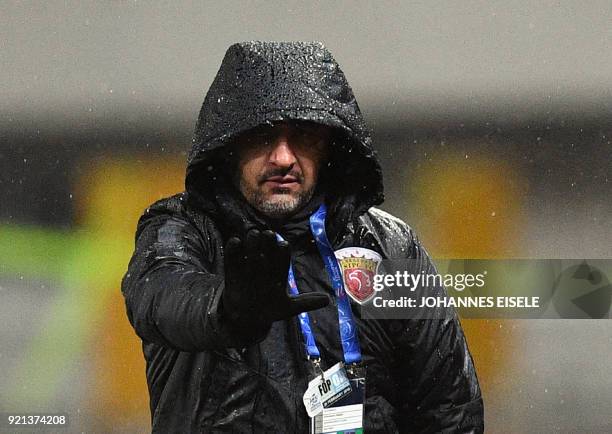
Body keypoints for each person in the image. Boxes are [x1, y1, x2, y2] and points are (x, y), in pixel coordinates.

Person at [121, 41, 484, 433]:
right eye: (261, 137)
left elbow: (448, 408)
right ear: (228, 147)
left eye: (303, 137)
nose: (282, 158)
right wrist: (226, 309)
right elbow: (161, 295)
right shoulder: (185, 228)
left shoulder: (390, 245)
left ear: (331, 147)